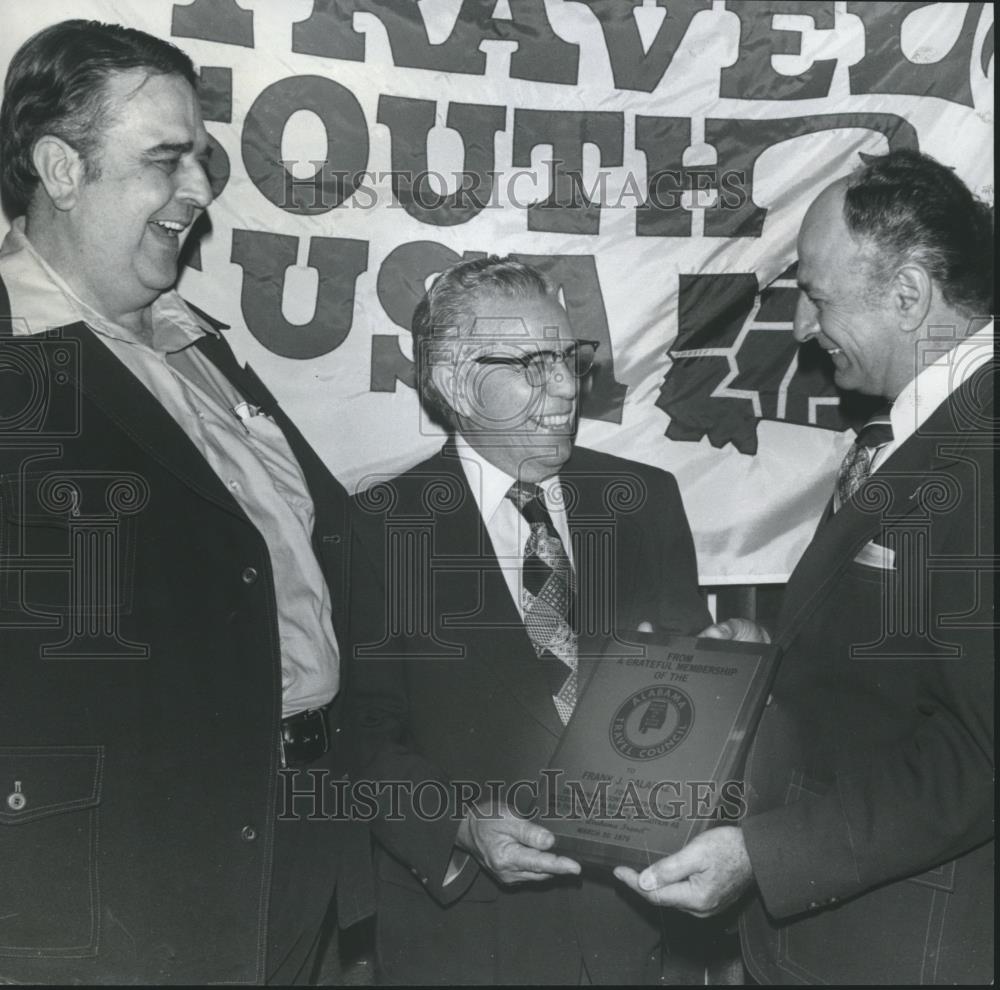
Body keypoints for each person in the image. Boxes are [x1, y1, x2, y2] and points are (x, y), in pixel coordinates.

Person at [0, 20, 376, 984]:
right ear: (59, 167)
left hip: (295, 839)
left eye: (202, 161)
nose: (201, 191)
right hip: (120, 882)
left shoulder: (195, 340)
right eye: (167, 159)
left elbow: (297, 553)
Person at [615, 150, 995, 985]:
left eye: (818, 298)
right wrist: (773, 648)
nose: (798, 329)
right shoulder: (918, 430)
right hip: (834, 937)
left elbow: (981, 751)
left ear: (908, 295)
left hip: (902, 950)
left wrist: (764, 855)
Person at [348, 256, 751, 984]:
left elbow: (685, 706)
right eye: (531, 364)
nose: (567, 387)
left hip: (638, 932)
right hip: (467, 940)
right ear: (451, 383)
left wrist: (733, 675)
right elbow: (361, 734)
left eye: (569, 357)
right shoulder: (375, 530)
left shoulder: (646, 499)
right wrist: (460, 824)